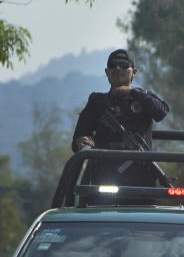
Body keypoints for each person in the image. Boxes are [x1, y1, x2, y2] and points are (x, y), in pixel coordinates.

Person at [71, 49, 170, 187]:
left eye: (123, 65)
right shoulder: (97, 102)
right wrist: (81, 142)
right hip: (104, 177)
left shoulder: (143, 98)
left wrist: (133, 93)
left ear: (134, 72)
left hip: (140, 180)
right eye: (113, 65)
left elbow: (162, 112)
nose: (118, 69)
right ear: (107, 72)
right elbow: (78, 139)